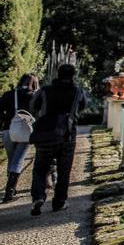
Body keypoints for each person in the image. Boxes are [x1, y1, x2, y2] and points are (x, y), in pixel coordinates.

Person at [28, 64, 86, 216]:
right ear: (73, 75)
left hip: (46, 133)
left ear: (57, 74)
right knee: (64, 170)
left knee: (40, 168)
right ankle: (59, 202)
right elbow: (82, 106)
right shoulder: (77, 91)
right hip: (68, 134)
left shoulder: (45, 90)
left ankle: (38, 197)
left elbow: (33, 105)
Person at [0, 74, 39, 203]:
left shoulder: (8, 94)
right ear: (34, 84)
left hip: (8, 131)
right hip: (25, 133)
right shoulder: (34, 96)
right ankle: (9, 191)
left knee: (12, 160)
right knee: (17, 161)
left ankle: (11, 187)